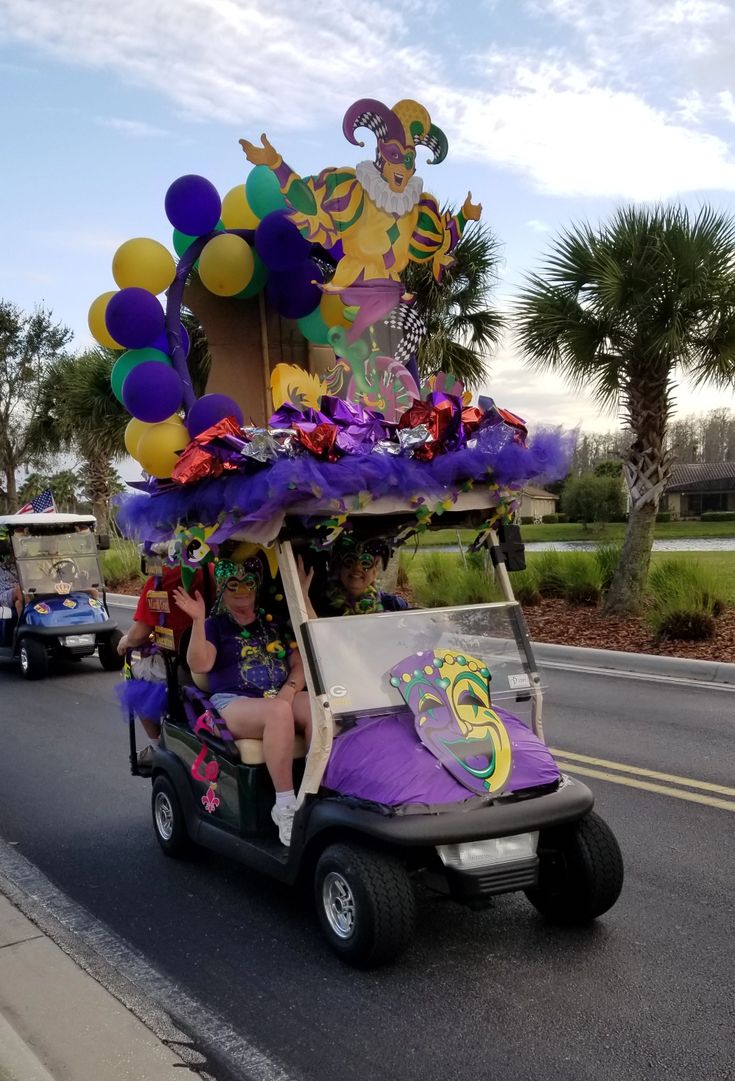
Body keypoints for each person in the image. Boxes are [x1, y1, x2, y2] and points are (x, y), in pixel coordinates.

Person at [173, 556, 312, 847]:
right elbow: (200, 663)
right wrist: (198, 621)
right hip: (234, 703)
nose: (241, 590)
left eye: (248, 583)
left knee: (315, 708)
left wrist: (288, 692)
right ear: (223, 587)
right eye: (232, 584)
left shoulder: (272, 622)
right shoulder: (216, 625)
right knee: (278, 713)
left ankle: (319, 790)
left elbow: (300, 665)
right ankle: (284, 806)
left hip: (279, 695)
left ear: (257, 585)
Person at [116, 562, 213, 774]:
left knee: (135, 675)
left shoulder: (161, 580)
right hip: (212, 652)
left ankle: (156, 745)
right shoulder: (212, 569)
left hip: (182, 661)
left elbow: (139, 633)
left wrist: (126, 641)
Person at [314, 535, 409, 617]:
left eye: (366, 563)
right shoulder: (322, 606)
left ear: (375, 572)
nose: (357, 568)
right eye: (349, 561)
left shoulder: (394, 605)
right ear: (340, 568)